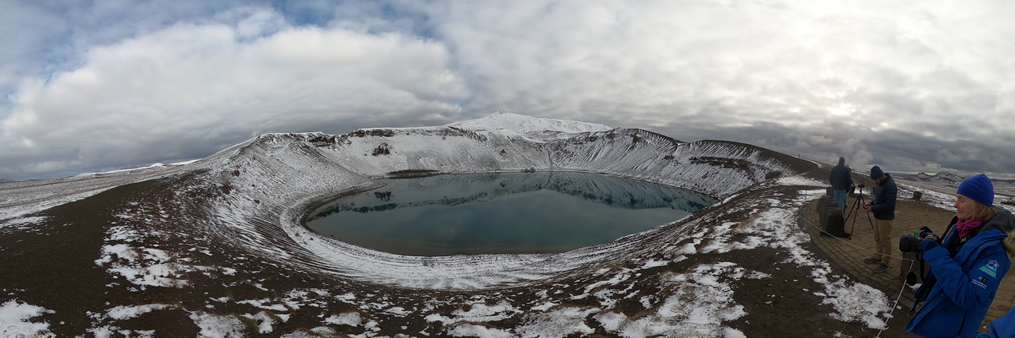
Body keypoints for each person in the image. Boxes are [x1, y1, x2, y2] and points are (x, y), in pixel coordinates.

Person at [906, 174, 1015, 337]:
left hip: (954, 328)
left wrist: (935, 253)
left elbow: (970, 296)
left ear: (978, 205)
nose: (955, 205)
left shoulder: (995, 250)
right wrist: (937, 244)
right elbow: (957, 260)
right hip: (938, 313)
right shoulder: (964, 227)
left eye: (962, 200)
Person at [863, 165, 897, 274]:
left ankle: (885, 262)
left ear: (880, 176)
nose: (874, 182)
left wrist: (872, 208)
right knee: (877, 237)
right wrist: (871, 203)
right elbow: (878, 198)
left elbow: (890, 205)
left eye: (875, 179)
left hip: (886, 218)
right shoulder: (880, 183)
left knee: (885, 240)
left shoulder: (890, 185)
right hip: (878, 216)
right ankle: (877, 256)